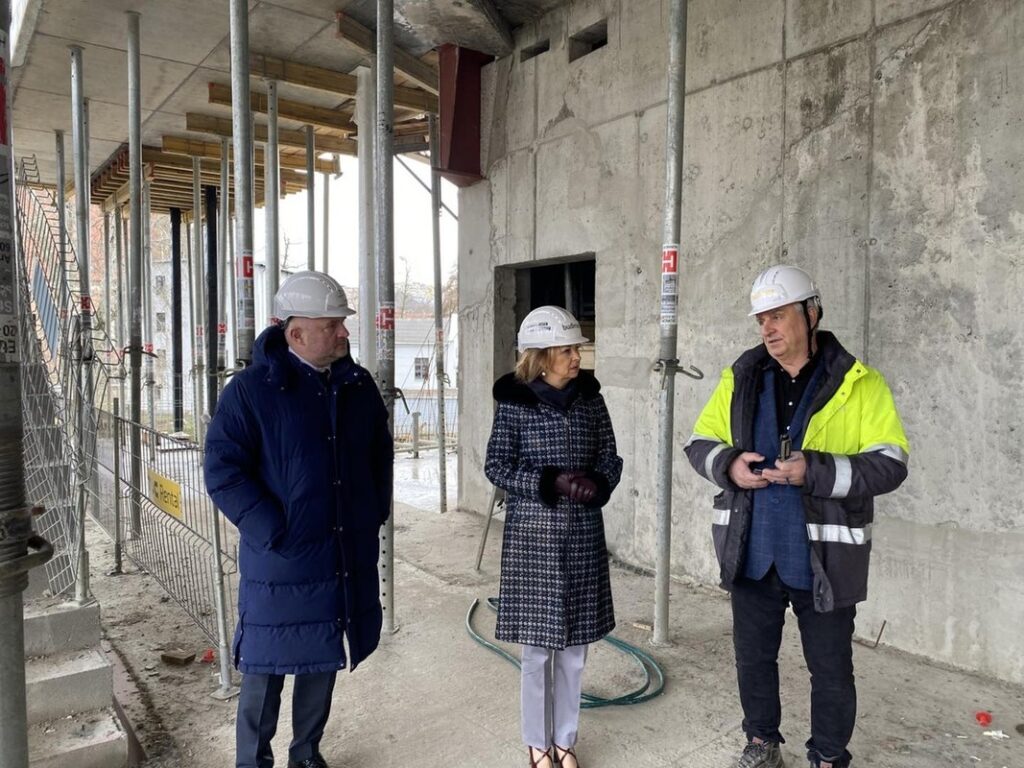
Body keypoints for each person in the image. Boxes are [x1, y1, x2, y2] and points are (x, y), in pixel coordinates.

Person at [684, 266, 909, 768]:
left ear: (811, 313)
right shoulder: (741, 378)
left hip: (823, 558)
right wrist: (729, 465)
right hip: (752, 549)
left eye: (779, 315)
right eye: (762, 319)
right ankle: (762, 742)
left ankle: (828, 756)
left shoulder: (859, 384)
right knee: (753, 659)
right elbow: (698, 444)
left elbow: (891, 463)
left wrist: (817, 470)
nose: (768, 328)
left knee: (830, 669)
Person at [204, 270, 393, 768]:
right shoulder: (249, 392)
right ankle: (253, 760)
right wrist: (272, 530)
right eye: (333, 324)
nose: (344, 333)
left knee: (324, 656)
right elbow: (223, 471)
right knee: (265, 665)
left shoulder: (356, 386)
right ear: (296, 334)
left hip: (341, 550)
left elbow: (380, 452)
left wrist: (374, 509)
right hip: (283, 559)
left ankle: (306, 753)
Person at [484, 306, 623, 768]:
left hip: (582, 536)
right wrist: (549, 482)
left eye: (577, 349)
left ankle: (565, 738)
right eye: (567, 350)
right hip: (533, 542)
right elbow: (497, 466)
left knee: (574, 651)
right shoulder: (515, 404)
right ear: (541, 357)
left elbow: (610, 455)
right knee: (537, 653)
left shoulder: (590, 400)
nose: (576, 357)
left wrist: (599, 483)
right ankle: (536, 742)